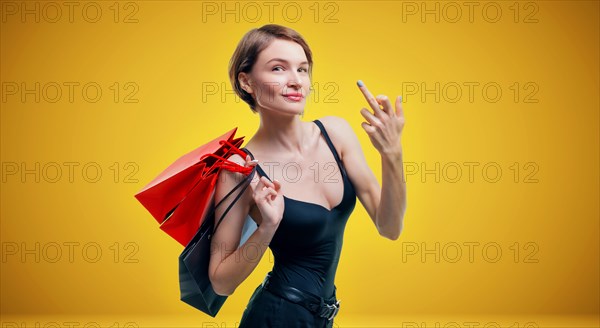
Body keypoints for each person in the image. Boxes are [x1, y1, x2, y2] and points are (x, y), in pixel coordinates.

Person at [208, 24, 407, 327]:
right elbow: (221, 282)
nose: (295, 81)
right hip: (275, 317)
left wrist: (392, 155)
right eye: (278, 68)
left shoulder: (336, 133)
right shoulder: (240, 168)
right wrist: (267, 227)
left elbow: (390, 227)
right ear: (246, 82)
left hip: (322, 318)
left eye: (302, 69)